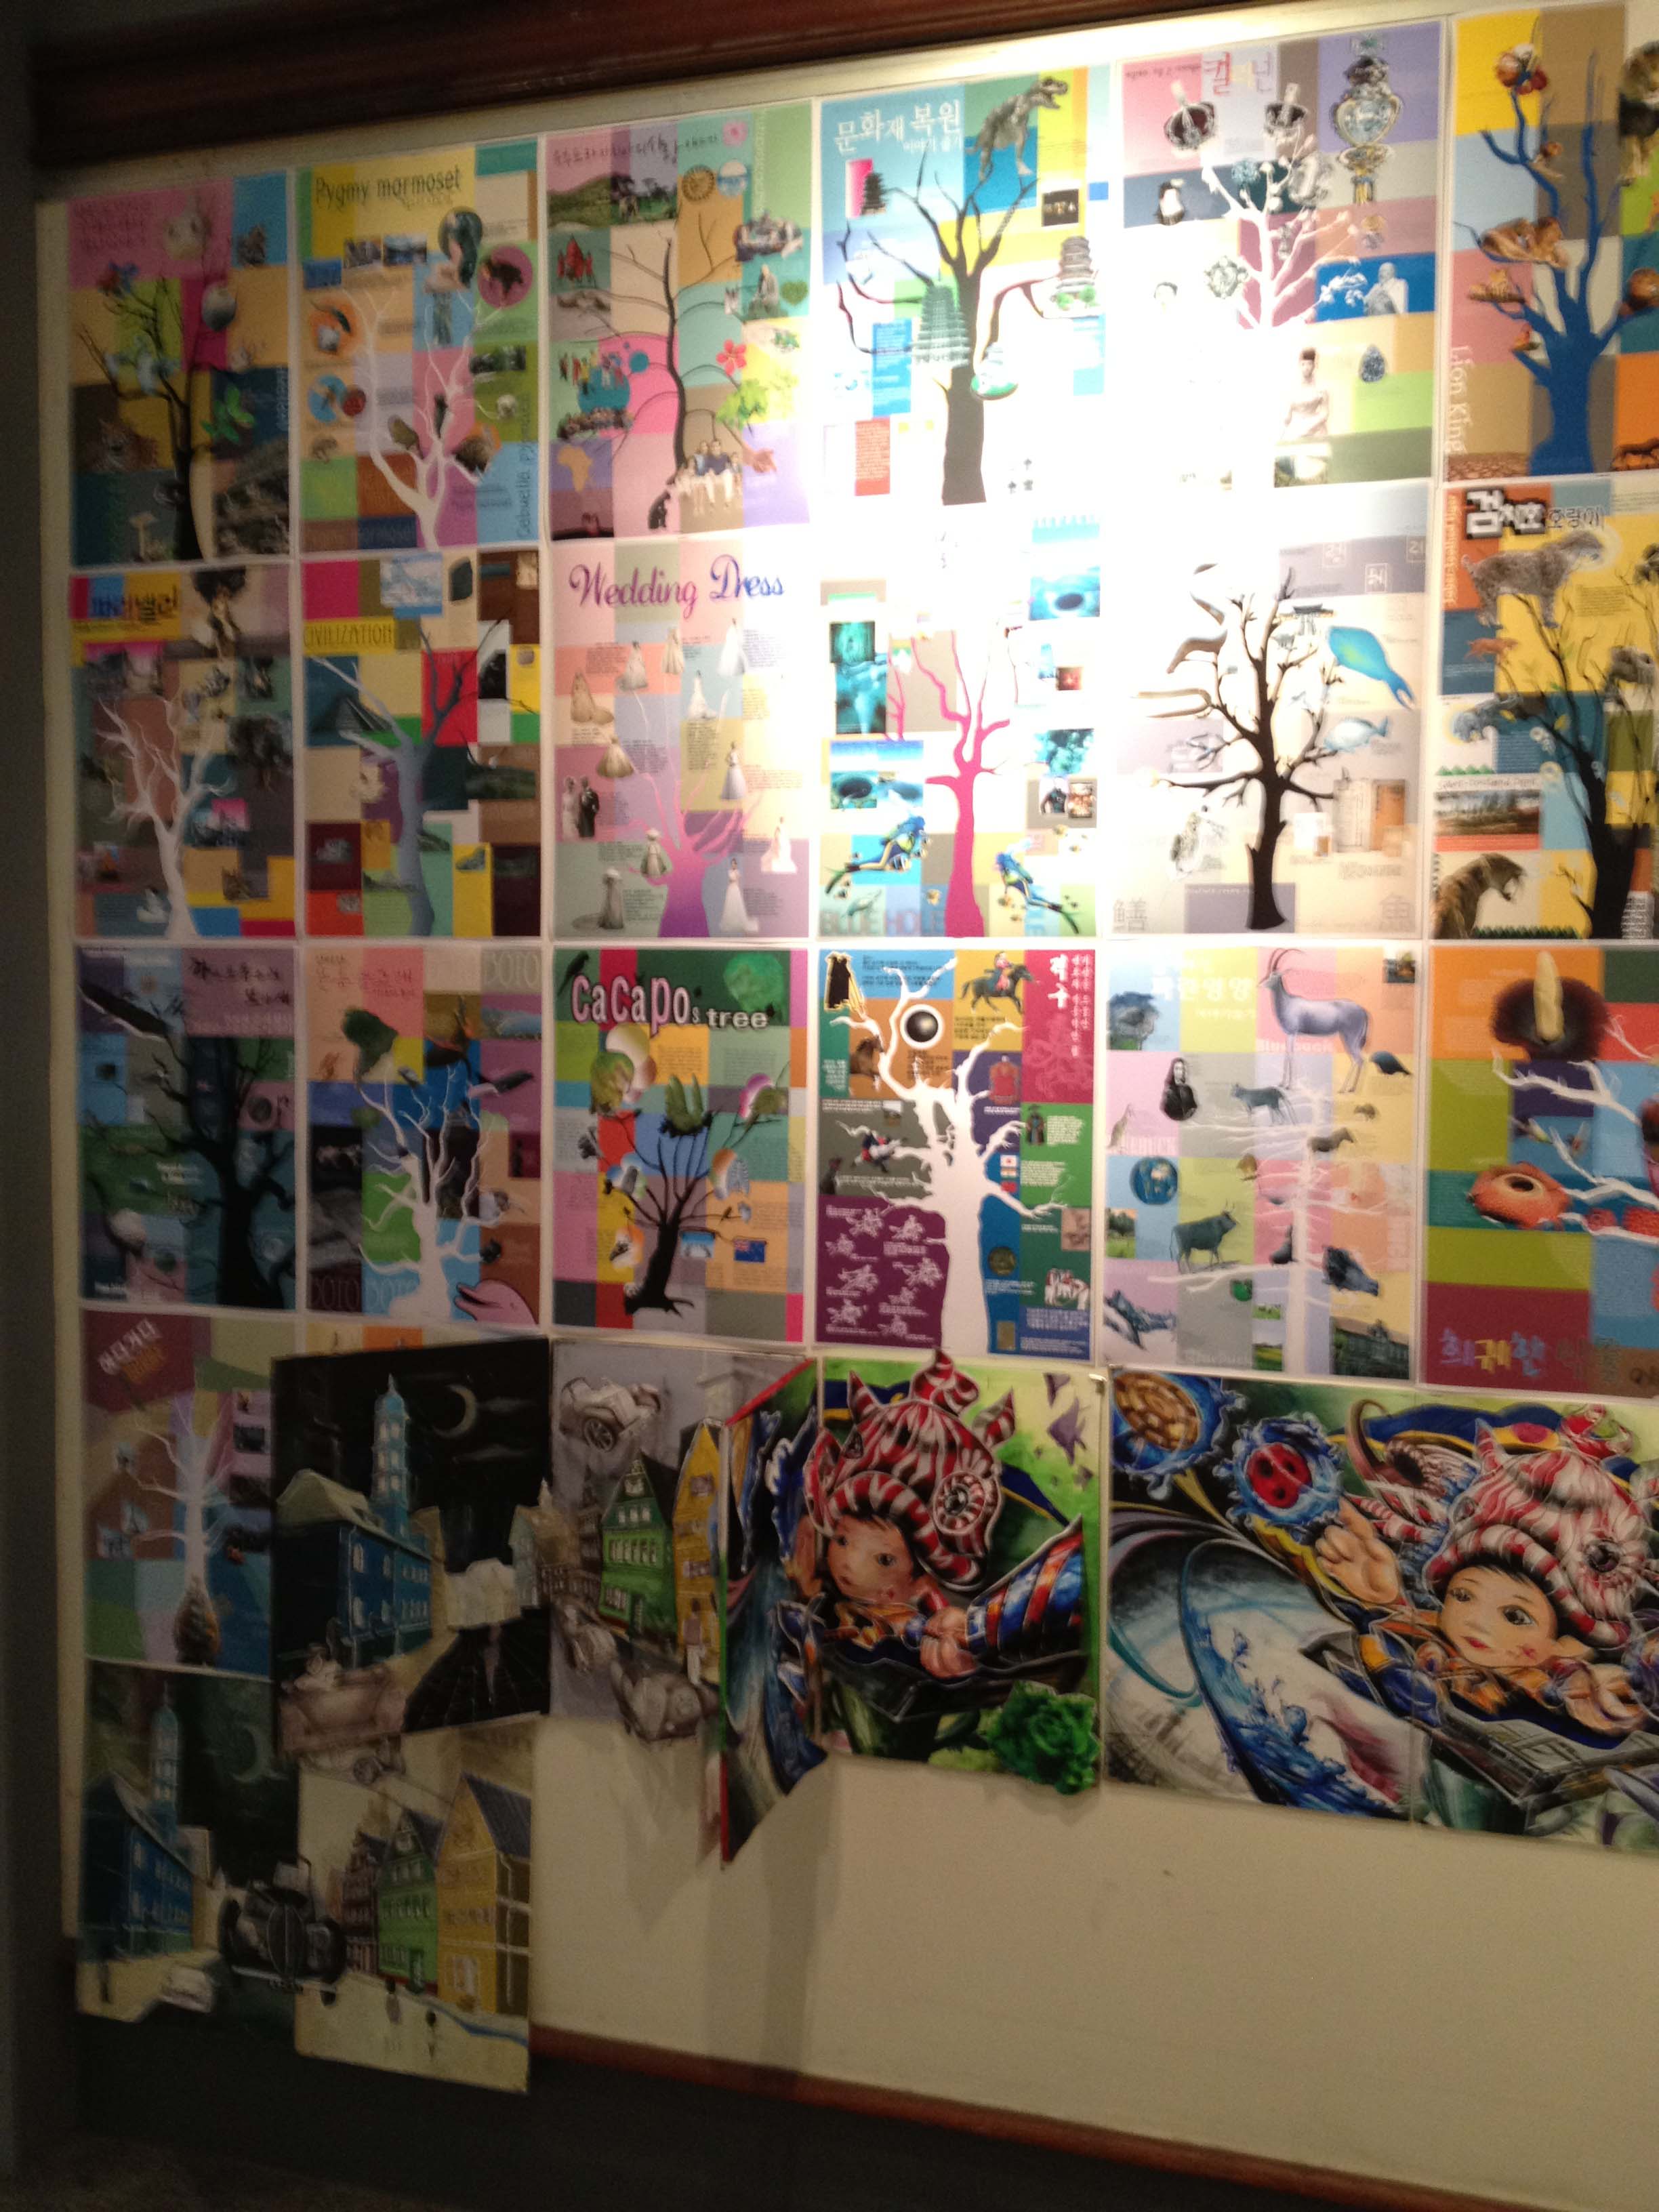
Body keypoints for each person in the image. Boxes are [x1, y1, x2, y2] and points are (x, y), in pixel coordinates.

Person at [1315, 1414, 1648, 1738]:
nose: (1476, 1621)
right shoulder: (1425, 1638)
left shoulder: (1558, 1688)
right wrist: (1389, 1599)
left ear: (1566, 1641)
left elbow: (1587, 1702)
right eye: (1463, 1595)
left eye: (1515, 1616)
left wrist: (1601, 1701)